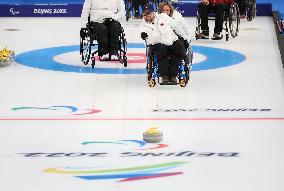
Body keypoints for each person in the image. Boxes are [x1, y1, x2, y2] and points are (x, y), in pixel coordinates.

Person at [139, 4, 190, 84]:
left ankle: (173, 75)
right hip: (158, 43)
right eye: (144, 14)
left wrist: (184, 37)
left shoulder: (163, 17)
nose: (146, 16)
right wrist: (143, 34)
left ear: (153, 13)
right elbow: (142, 31)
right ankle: (165, 75)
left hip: (171, 40)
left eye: (148, 13)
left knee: (179, 48)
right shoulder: (143, 24)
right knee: (161, 50)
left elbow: (176, 26)